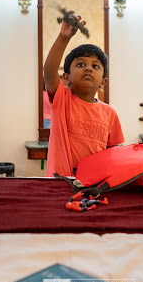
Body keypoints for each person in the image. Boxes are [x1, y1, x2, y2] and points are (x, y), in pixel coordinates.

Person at [44, 10, 124, 177]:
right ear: (66, 78)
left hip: (95, 183)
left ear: (103, 82)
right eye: (80, 64)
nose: (88, 68)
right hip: (60, 182)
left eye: (95, 66)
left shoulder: (110, 113)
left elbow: (114, 153)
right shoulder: (62, 100)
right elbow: (49, 71)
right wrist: (64, 37)